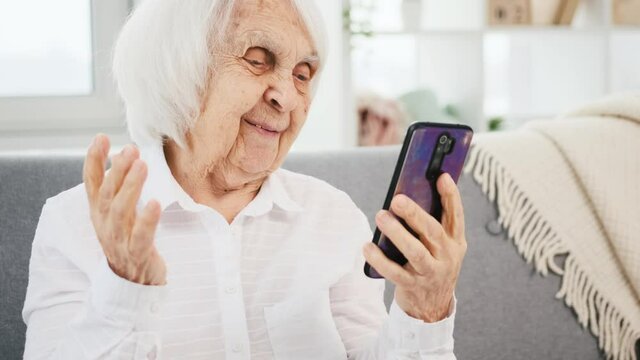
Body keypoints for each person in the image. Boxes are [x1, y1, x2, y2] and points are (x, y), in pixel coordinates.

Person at [22, 0, 467, 358]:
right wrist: (125, 289)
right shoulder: (74, 223)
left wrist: (425, 310)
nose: (287, 96)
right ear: (179, 70)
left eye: (302, 75)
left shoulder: (330, 215)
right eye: (258, 61)